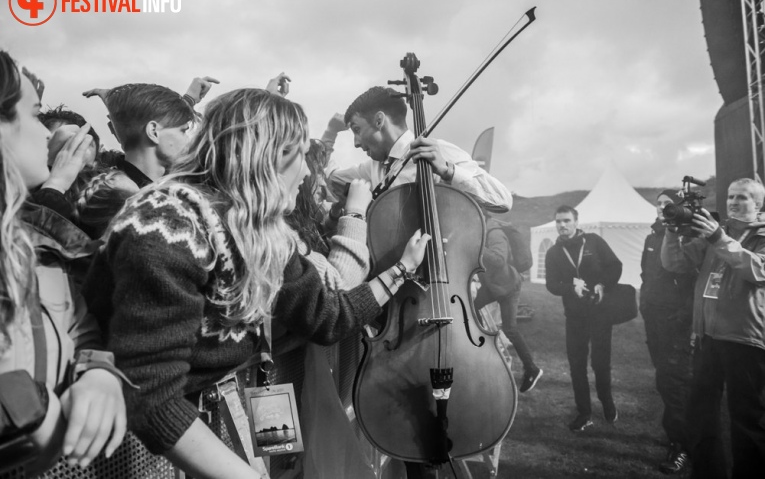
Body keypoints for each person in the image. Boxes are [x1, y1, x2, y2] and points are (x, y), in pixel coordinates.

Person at [82, 88, 430, 479]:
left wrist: (400, 270)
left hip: (214, 416)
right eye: (299, 156)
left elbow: (327, 316)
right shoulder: (169, 223)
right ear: (271, 156)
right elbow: (149, 393)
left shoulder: (261, 233)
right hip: (146, 446)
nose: (306, 173)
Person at [0, 51, 127, 474]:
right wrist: (27, 414)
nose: (45, 136)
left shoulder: (33, 244)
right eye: (35, 115)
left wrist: (98, 373)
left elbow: (82, 325)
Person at [661, 178, 765, 478]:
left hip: (746, 340)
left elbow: (758, 271)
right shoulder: (717, 233)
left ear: (757, 204)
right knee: (700, 413)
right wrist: (671, 231)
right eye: (731, 196)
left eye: (743, 197)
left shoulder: (754, 235)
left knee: (747, 419)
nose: (733, 201)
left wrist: (719, 238)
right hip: (708, 336)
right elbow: (675, 263)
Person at [325, 86, 513, 211]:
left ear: (379, 120)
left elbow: (503, 200)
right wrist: (330, 132)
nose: (356, 143)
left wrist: (449, 171)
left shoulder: (438, 152)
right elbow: (330, 176)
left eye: (357, 130)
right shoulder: (373, 168)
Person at [544, 205, 622, 432]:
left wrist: (601, 284)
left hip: (600, 313)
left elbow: (615, 266)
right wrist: (570, 287)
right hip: (575, 316)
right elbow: (551, 284)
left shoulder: (594, 242)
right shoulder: (553, 252)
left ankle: (607, 403)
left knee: (600, 363)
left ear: (576, 222)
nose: (562, 225)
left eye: (567, 221)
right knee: (577, 366)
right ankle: (584, 412)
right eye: (558, 221)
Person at [640, 189, 695, 474]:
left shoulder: (687, 235)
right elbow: (645, 275)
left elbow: (694, 279)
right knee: (664, 380)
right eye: (658, 203)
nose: (661, 207)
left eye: (667, 203)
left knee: (674, 384)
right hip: (654, 319)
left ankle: (680, 445)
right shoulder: (652, 236)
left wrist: (683, 314)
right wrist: (645, 305)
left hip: (676, 321)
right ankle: (681, 435)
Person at [473, 214, 542, 393]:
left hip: (509, 285)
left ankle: (532, 369)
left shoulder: (493, 231)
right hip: (494, 285)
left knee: (510, 328)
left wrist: (474, 245)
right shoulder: (481, 229)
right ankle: (482, 353)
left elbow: (498, 259)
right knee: (469, 308)